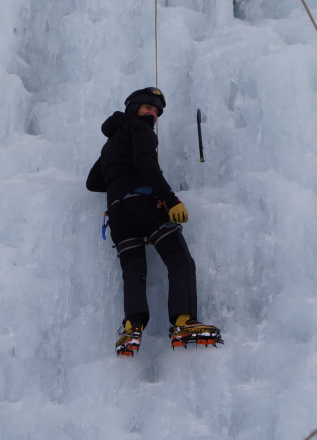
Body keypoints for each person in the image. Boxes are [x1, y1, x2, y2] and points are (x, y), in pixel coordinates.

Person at [87, 87, 222, 356]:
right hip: (143, 204)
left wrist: (119, 183)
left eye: (157, 111)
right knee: (178, 258)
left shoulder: (112, 142)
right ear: (134, 107)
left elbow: (93, 182)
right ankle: (184, 322)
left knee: (134, 269)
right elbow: (145, 162)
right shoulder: (139, 129)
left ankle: (131, 328)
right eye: (148, 108)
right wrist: (170, 199)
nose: (153, 114)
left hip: (117, 214)